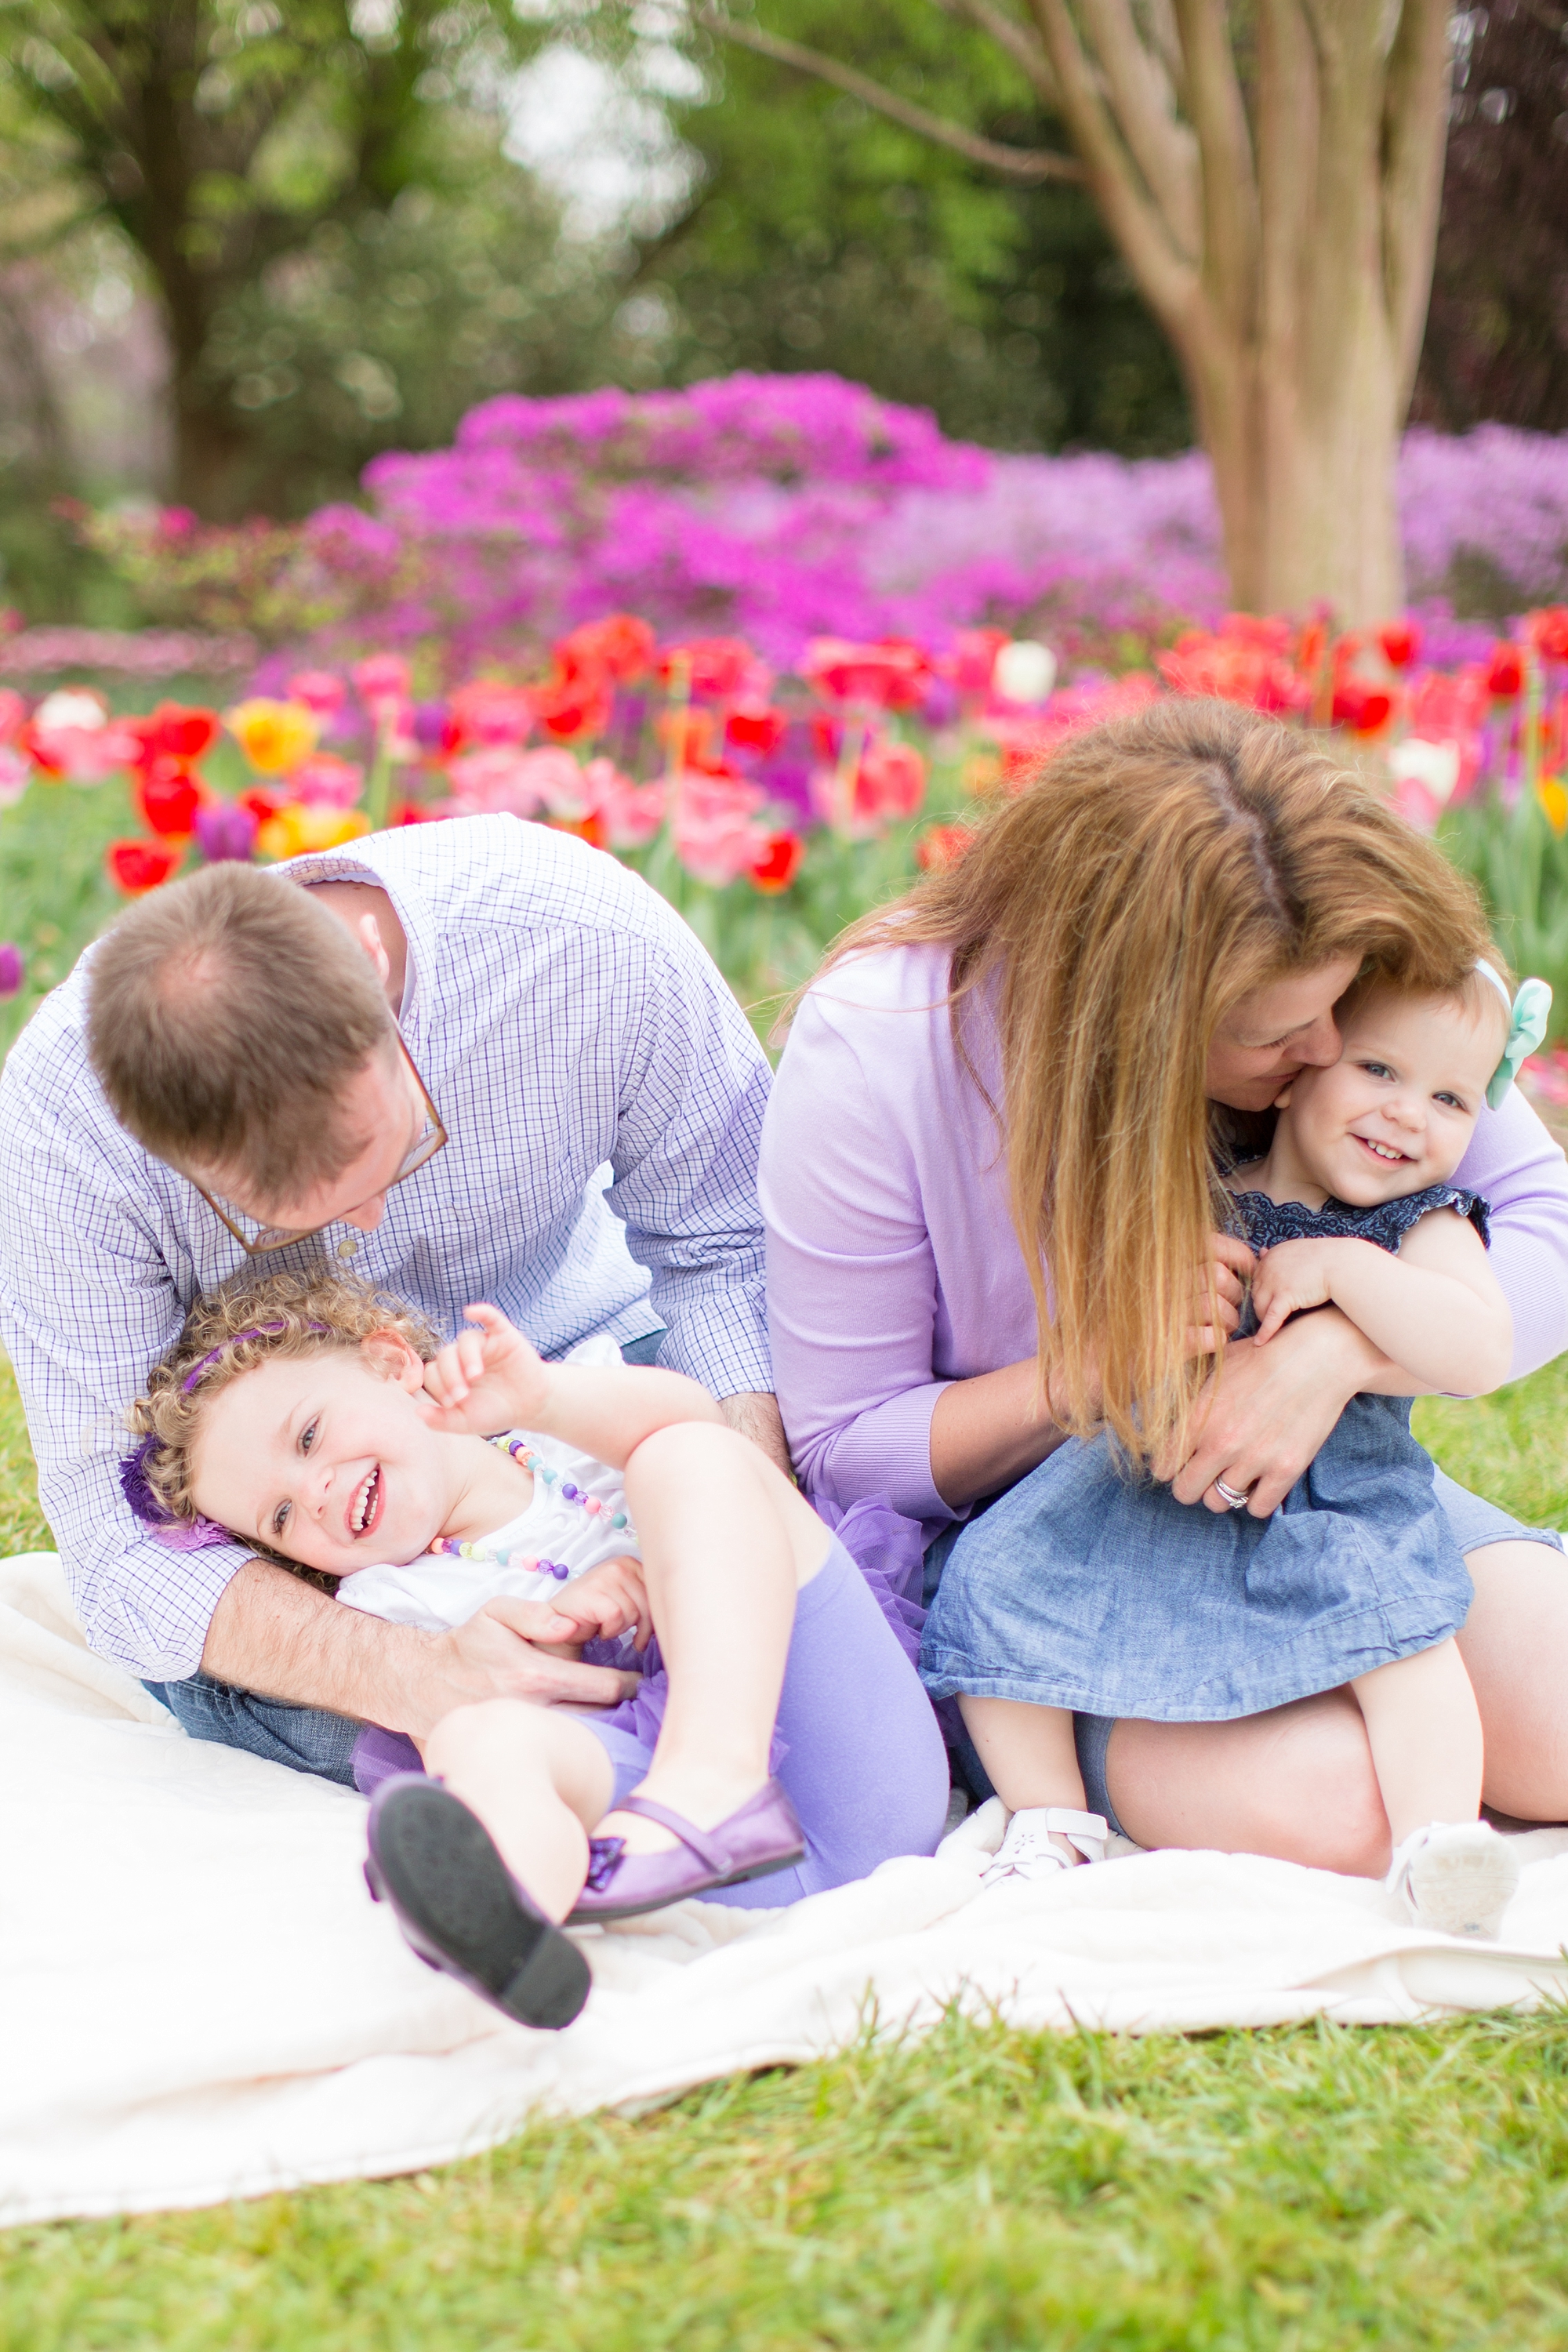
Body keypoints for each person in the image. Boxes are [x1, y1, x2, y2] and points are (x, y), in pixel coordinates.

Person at [760, 699, 1568, 1874]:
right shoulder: (885, 1047)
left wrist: (1328, 1350)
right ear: (1139, 1025)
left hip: (1317, 1499)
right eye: (1278, 1037)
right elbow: (842, 1443)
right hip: (1061, 1534)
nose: (1330, 1056)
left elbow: (1542, 1228)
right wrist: (1092, 1369)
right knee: (1344, 1814)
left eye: (1340, 1016)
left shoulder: (1346, 977)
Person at [0, 816, 786, 1783]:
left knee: (870, 1565)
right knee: (258, 1693)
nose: (366, 1225)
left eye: (394, 1152)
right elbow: (116, 1530)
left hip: (596, 1369)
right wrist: (416, 1674)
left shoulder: (579, 939)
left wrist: (752, 1555)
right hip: (357, 1562)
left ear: (367, 960)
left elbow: (728, 1247)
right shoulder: (63, 1141)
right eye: (285, 1220)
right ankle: (574, 1794)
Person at [124, 1271, 949, 2027]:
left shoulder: (563, 1429)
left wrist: (547, 1399)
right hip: (692, 1866)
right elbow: (500, 1729)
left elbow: (702, 1432)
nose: (316, 1494)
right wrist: (563, 1628)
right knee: (468, 1735)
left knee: (685, 1454)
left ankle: (716, 1779)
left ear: (390, 1364)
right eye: (280, 1519)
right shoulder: (392, 1605)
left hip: (851, 1767)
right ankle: (513, 1917)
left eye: (307, 1439)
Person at [924, 957, 1547, 1937]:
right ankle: (1046, 1819)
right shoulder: (1195, 1181)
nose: (1407, 1116)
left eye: (1450, 1098)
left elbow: (1477, 1347)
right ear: (1298, 1062)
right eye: (1377, 1071)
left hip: (1331, 1501)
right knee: (996, 1585)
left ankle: (1437, 1843)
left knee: (1404, 1638)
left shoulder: (1414, 1225)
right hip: (1142, 1484)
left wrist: (1347, 1273)